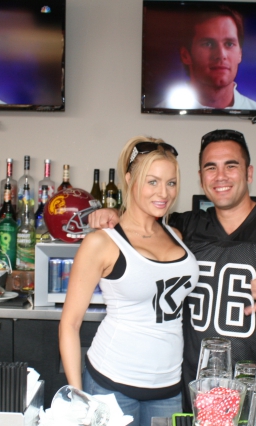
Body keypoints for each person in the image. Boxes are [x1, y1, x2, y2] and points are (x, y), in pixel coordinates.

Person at [89, 129, 256, 410]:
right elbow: (140, 221)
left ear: (249, 173)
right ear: (201, 177)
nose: (220, 176)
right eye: (211, 168)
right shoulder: (183, 228)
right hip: (195, 392)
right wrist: (113, 215)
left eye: (231, 166)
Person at [59, 137, 199, 426]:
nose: (163, 193)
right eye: (152, 182)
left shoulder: (176, 235)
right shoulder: (102, 242)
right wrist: (78, 398)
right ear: (129, 179)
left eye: (171, 183)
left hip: (169, 388)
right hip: (111, 384)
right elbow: (69, 324)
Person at [157, 6, 256, 110]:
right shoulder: (160, 117)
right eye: (208, 44)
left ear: (240, 53)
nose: (221, 55)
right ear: (185, 55)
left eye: (229, 44)